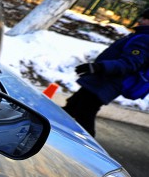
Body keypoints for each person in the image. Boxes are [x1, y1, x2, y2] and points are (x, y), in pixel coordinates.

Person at [63, 7, 149, 136]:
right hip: (102, 80)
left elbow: (129, 64)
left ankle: (89, 150)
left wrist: (99, 67)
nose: (140, 20)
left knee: (84, 114)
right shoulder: (140, 35)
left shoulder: (144, 39)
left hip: (109, 83)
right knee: (72, 107)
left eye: (145, 18)